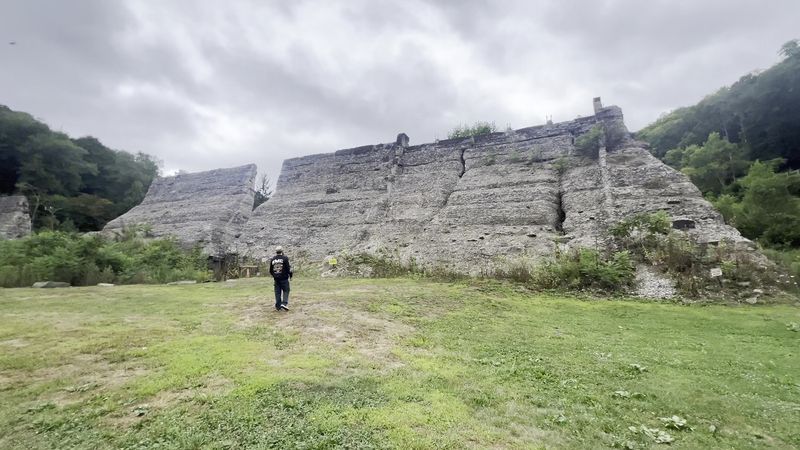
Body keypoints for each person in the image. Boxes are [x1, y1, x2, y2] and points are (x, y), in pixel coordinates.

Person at [269, 245, 292, 311]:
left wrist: (274, 275)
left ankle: (278, 306)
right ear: (282, 251)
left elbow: (270, 270)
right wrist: (290, 275)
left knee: (277, 292)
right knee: (286, 290)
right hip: (284, 278)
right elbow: (288, 269)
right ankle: (284, 303)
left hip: (276, 279)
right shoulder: (285, 258)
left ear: (276, 252)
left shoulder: (273, 259)